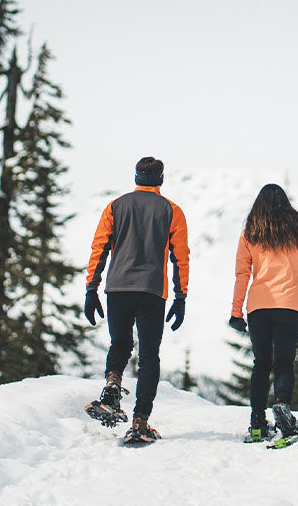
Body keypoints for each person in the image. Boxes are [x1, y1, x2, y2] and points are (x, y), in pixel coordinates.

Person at [83, 156, 190, 444]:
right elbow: (181, 257)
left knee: (119, 344)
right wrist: (181, 296)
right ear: (161, 180)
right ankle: (140, 422)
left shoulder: (116, 206)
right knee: (148, 357)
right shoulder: (172, 210)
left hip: (117, 287)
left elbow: (100, 247)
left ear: (136, 177)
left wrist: (91, 289)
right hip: (152, 290)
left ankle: (111, 388)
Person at [229, 183, 298, 444]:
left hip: (258, 308)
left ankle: (257, 421)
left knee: (261, 363)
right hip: (289, 305)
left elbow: (242, 275)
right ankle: (282, 407)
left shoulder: (250, 234)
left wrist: (236, 312)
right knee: (284, 364)